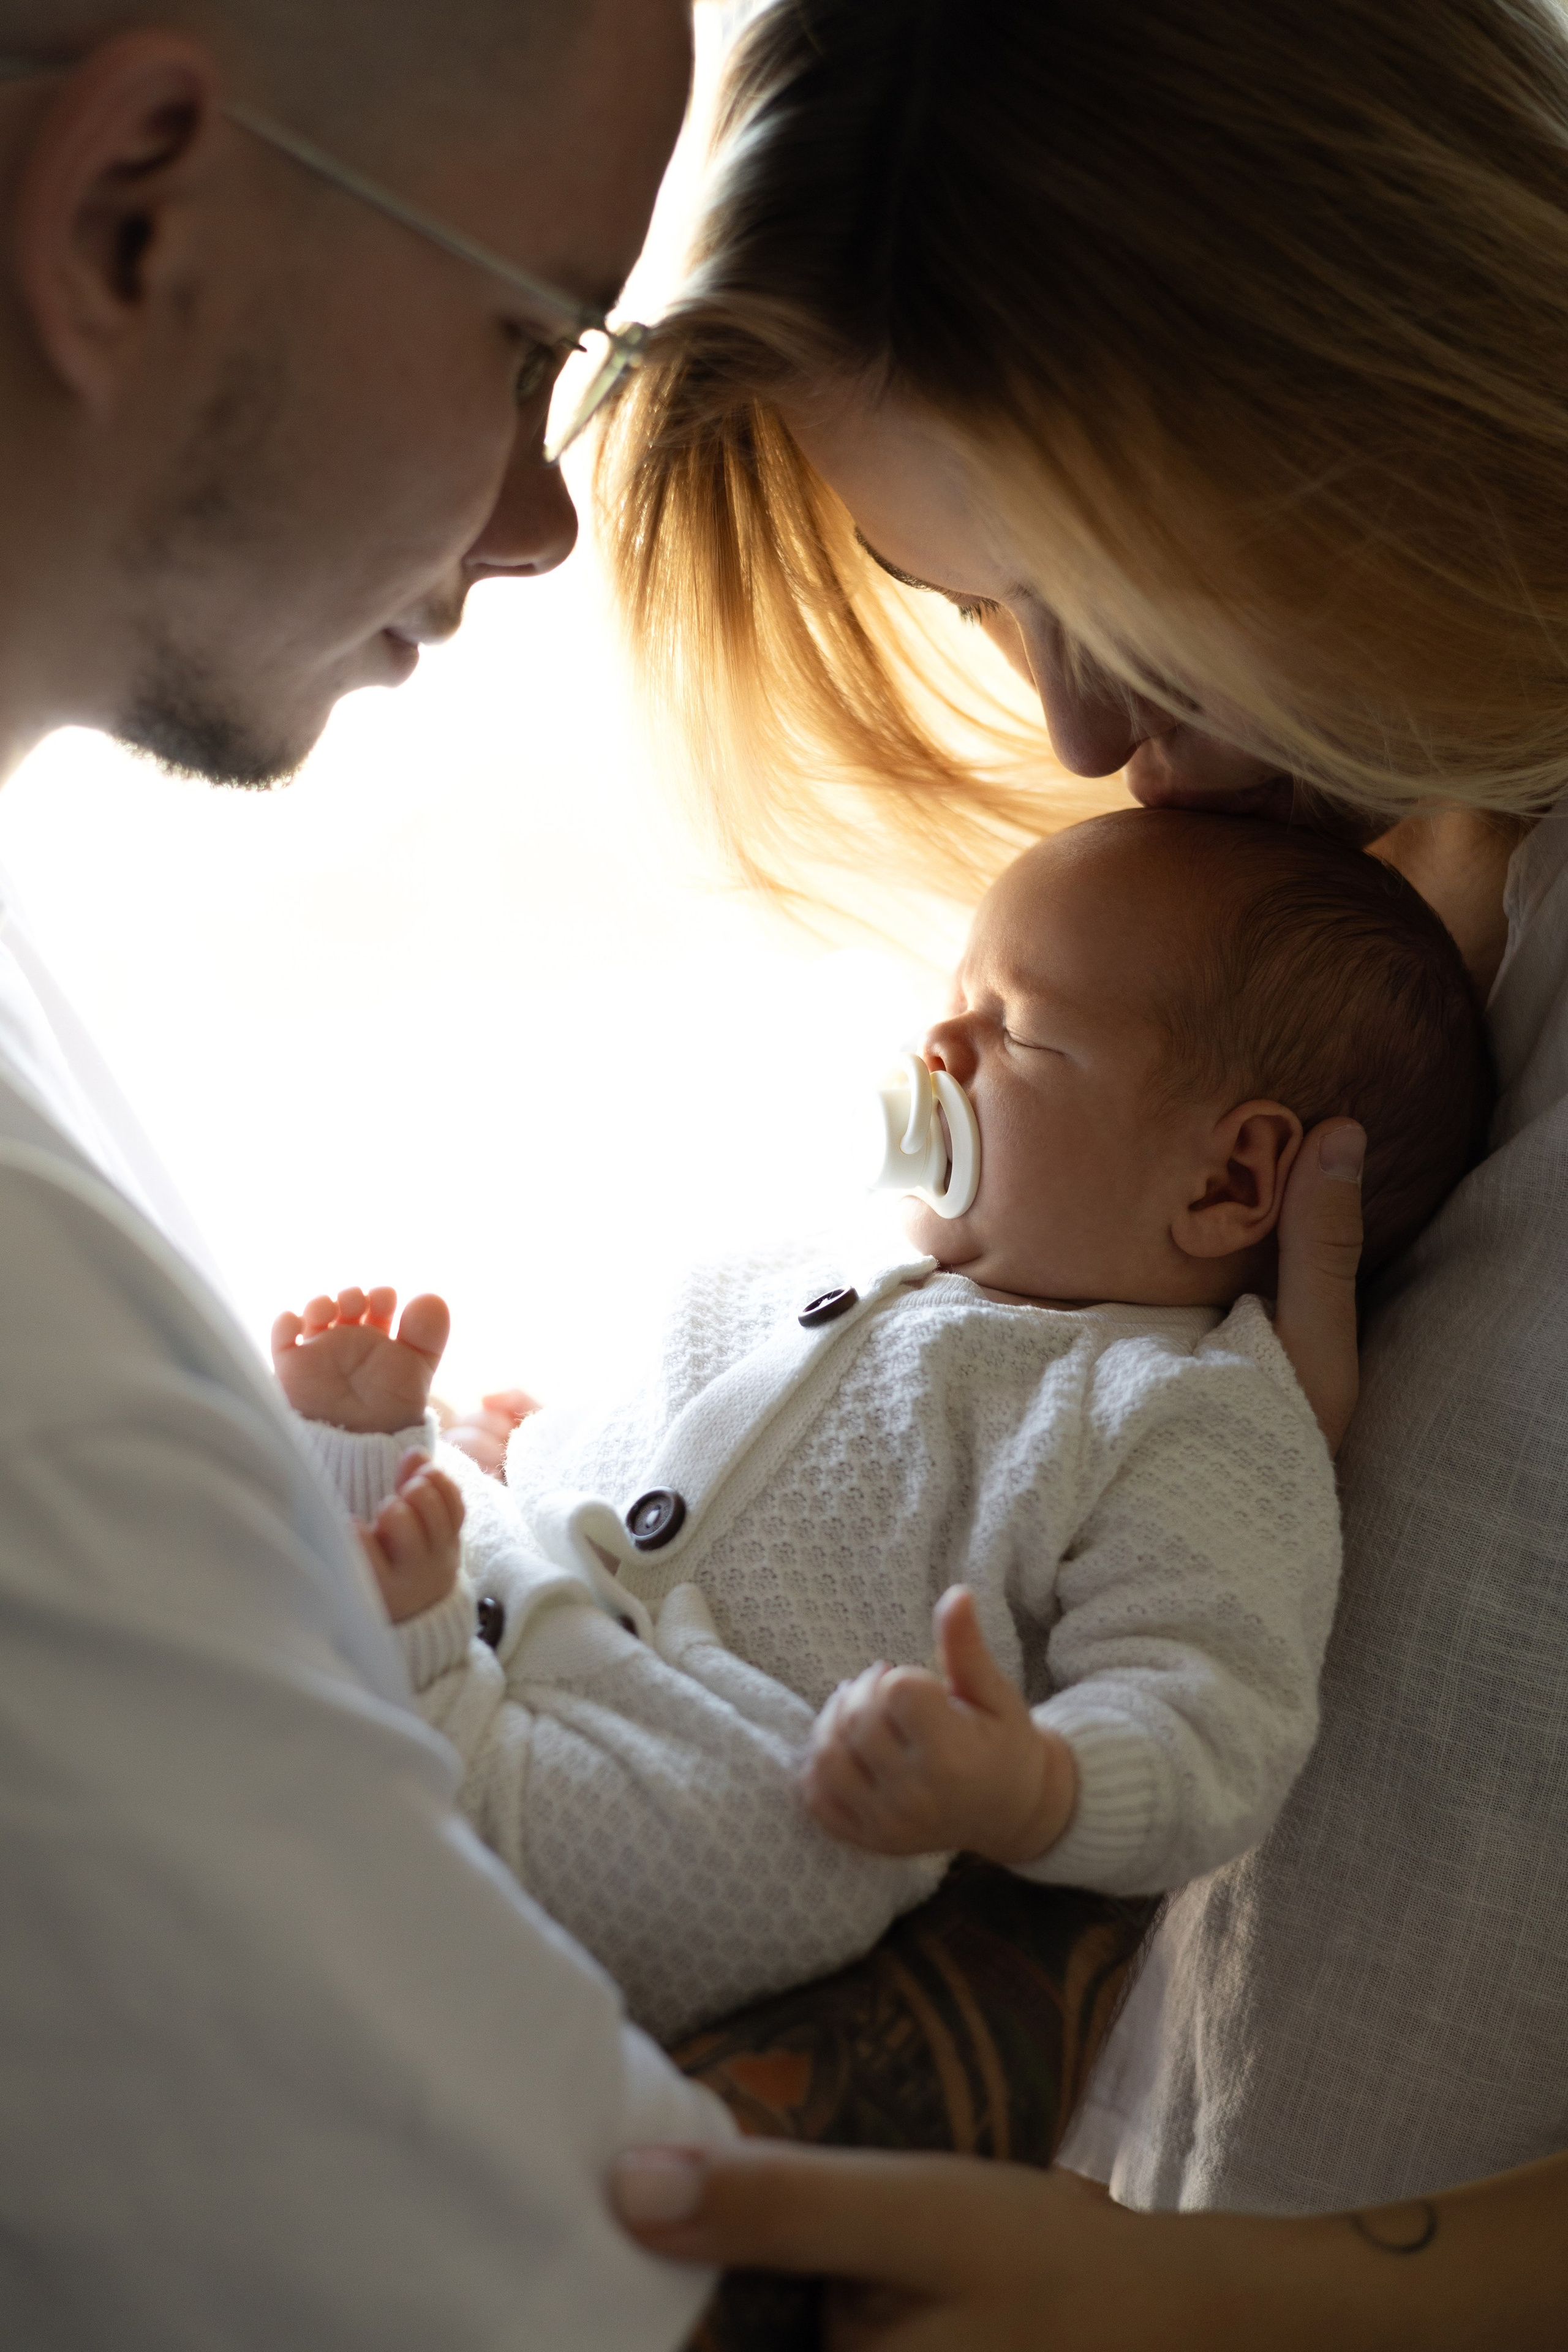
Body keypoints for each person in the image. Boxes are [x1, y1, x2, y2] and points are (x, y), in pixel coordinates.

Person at [592, 0, 1568, 2335]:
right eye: (983, 610)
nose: (1078, 731)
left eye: (1106, 587)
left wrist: (1227, 2304)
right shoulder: (1315, 921)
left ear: (1376, 369)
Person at [0, 4, 753, 2343]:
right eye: (528, 338)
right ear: (126, 219)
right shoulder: (35, 1398)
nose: (542, 518)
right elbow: (620, 2295)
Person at [268, 809, 1485, 2052]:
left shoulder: (1184, 1413)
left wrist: (1032, 1783)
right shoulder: (843, 1254)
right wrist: (533, 1444)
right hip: (531, 1577)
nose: (939, 1043)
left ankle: (414, 1669)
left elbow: (1214, 1710)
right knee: (413, 1490)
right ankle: (376, 1485)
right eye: (956, 997)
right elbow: (682, 1424)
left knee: (776, 1870)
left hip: (703, 1751)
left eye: (1013, 1028)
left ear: (1227, 1180)